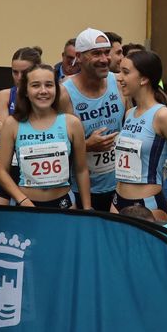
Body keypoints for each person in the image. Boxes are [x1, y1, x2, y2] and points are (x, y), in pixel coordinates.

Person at [0, 63, 91, 210]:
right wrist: (23, 201)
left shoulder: (72, 123)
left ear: (56, 89)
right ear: (26, 91)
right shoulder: (12, 124)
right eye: (35, 85)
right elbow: (1, 171)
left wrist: (87, 208)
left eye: (49, 85)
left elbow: (81, 170)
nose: (43, 91)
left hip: (64, 204)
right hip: (26, 205)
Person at [114, 50, 167, 222]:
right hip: (117, 200)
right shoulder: (129, 113)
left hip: (147, 204)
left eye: (126, 72)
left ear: (144, 79)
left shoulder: (162, 116)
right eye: (120, 71)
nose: (119, 77)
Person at [58, 29, 123, 213]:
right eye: (96, 53)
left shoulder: (119, 82)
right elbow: (55, 145)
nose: (104, 59)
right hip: (80, 190)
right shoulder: (64, 93)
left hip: (119, 187)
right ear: (79, 57)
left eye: (106, 52)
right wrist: (86, 145)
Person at [0, 47, 43, 206]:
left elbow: (46, 134)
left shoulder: (46, 96)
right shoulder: (4, 95)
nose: (19, 78)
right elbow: (0, 135)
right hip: (7, 167)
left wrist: (7, 130)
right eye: (14, 72)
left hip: (35, 169)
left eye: (24, 72)